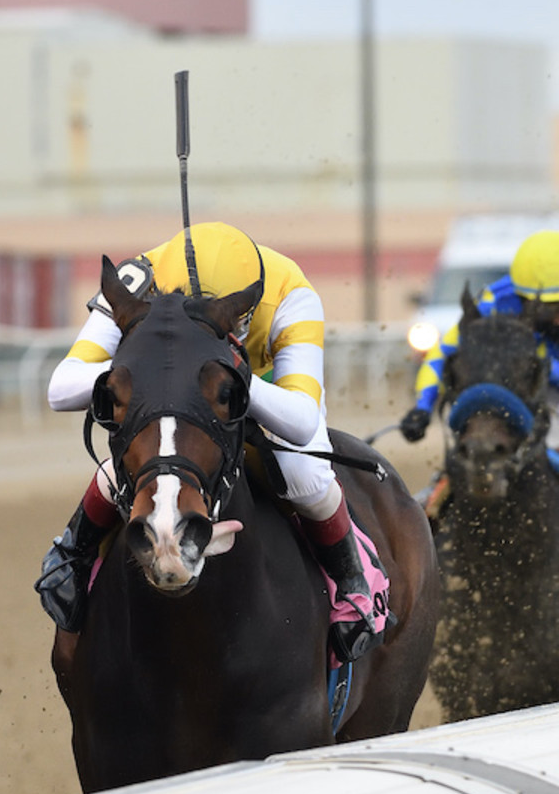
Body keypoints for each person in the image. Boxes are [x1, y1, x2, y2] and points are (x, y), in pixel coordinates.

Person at [35, 221, 387, 664]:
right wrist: (145, 371)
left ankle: (353, 580)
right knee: (135, 462)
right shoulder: (140, 280)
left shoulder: (291, 295)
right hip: (166, 397)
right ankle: (73, 553)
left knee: (304, 474)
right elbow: (60, 389)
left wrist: (230, 376)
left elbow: (300, 420)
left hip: (259, 385)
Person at [400, 230, 559, 474]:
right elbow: (443, 353)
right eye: (554, 307)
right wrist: (422, 408)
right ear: (525, 298)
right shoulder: (493, 302)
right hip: (522, 388)